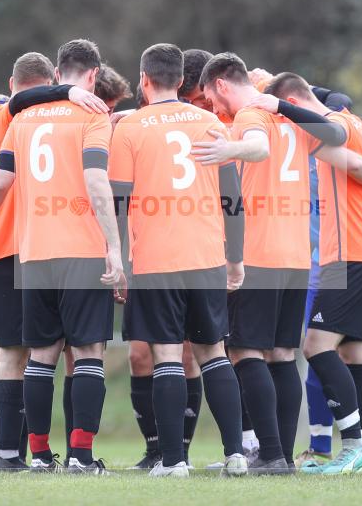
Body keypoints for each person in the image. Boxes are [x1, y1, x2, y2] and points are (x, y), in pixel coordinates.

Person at [196, 54, 362, 473]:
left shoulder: (251, 116)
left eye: (210, 96)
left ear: (222, 84)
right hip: (297, 256)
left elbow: (258, 148)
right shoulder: (293, 121)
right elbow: (347, 153)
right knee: (282, 354)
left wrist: (229, 149)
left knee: (245, 351)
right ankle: (280, 456)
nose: (212, 105)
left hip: (258, 252)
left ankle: (270, 453)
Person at [0, 52, 108, 472]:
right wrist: (70, 91)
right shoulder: (15, 113)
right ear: (48, 82)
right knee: (20, 355)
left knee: (8, 352)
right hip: (9, 245)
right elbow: (23, 107)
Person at [109, 43, 248, 478]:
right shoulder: (209, 122)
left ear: (144, 79)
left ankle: (173, 461)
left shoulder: (130, 128)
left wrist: (117, 258)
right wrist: (235, 258)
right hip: (205, 254)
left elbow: (117, 202)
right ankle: (235, 454)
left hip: (155, 258)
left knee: (167, 356)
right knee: (214, 353)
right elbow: (232, 199)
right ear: (183, 80)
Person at [249, 72, 362, 475]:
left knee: (315, 346)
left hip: (348, 256)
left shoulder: (333, 127)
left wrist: (279, 108)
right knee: (356, 353)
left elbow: (357, 163)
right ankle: (361, 449)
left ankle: (352, 444)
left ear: (294, 102)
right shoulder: (355, 122)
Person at [124, 49, 212, 470]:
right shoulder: (132, 123)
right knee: (141, 356)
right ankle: (156, 449)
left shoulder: (208, 120)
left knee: (186, 354)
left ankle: (180, 453)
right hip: (147, 255)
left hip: (193, 253)